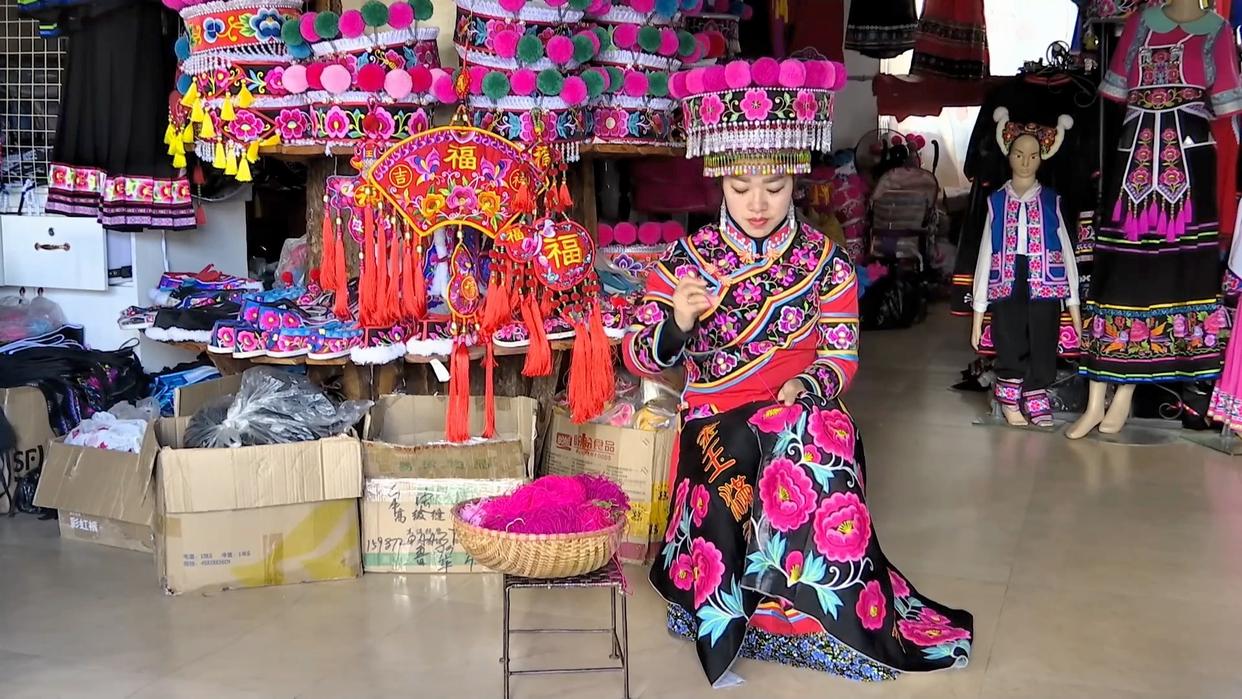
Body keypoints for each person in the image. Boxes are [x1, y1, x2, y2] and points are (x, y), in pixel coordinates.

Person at [629, 57, 973, 688]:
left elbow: (840, 354)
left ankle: (814, 615)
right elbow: (641, 357)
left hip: (797, 406)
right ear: (719, 181)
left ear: (795, 179)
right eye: (741, 188)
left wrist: (807, 386)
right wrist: (676, 323)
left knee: (817, 439)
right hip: (715, 414)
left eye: (775, 185)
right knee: (747, 447)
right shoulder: (684, 262)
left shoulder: (827, 262)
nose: (758, 204)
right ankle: (732, 606)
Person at [970, 109, 1082, 427]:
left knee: (1044, 336)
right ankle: (1008, 394)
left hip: (1045, 278)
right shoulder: (996, 201)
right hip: (1007, 278)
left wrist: (1073, 304)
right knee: (1009, 336)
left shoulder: (1051, 200)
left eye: (1033, 155)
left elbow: (1067, 251)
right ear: (1009, 154)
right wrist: (978, 312)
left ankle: (1036, 391)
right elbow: (985, 252)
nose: (1025, 161)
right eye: (1019, 154)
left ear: (1042, 158)